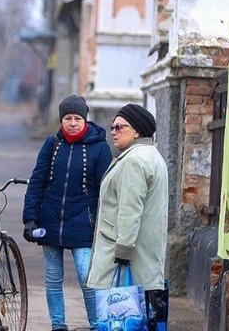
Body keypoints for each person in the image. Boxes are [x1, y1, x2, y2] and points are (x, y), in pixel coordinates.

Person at [22, 95, 113, 331]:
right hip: (50, 222)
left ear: (85, 119)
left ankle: (97, 325)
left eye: (77, 118)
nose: (72, 123)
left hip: (84, 223)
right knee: (53, 279)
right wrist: (30, 218)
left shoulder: (101, 148)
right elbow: (37, 182)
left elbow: (106, 191)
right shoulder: (51, 145)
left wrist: (104, 226)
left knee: (87, 278)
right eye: (67, 118)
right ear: (61, 120)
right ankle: (58, 325)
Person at [85, 103, 169, 329]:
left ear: (138, 131)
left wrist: (123, 250)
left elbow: (130, 209)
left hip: (126, 258)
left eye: (119, 127)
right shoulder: (149, 155)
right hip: (143, 254)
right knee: (142, 319)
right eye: (112, 126)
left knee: (122, 320)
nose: (112, 131)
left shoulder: (134, 160)